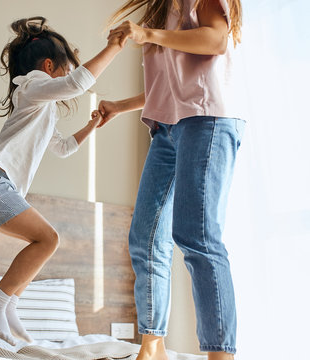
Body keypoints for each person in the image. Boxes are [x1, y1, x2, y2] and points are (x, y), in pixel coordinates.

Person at [0, 16, 125, 345]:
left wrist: (93, 124)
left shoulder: (43, 108)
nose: (67, 79)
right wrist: (114, 46)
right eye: (65, 69)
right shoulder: (32, 86)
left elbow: (63, 148)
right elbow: (78, 83)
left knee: (43, 243)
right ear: (48, 66)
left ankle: (9, 302)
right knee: (49, 239)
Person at [98, 1, 243, 359]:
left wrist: (147, 34)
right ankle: (153, 347)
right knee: (145, 237)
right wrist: (120, 106)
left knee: (197, 236)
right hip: (168, 128)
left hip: (208, 119)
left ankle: (220, 355)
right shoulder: (165, 11)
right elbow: (171, 87)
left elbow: (215, 40)